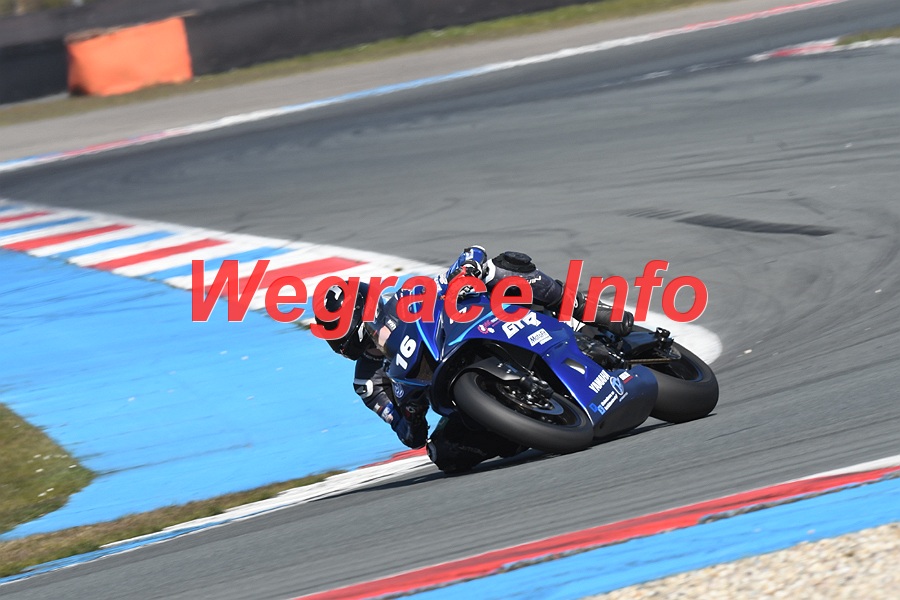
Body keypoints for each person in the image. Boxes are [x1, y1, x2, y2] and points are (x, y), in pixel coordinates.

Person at [317, 247, 634, 473]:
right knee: (442, 453)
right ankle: (520, 430)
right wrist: (410, 414)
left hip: (486, 328)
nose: (339, 341)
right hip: (455, 393)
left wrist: (467, 270)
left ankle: (581, 307)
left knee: (504, 265)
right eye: (332, 335)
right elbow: (410, 436)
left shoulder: (409, 296)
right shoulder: (368, 382)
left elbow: (471, 254)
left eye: (339, 329)